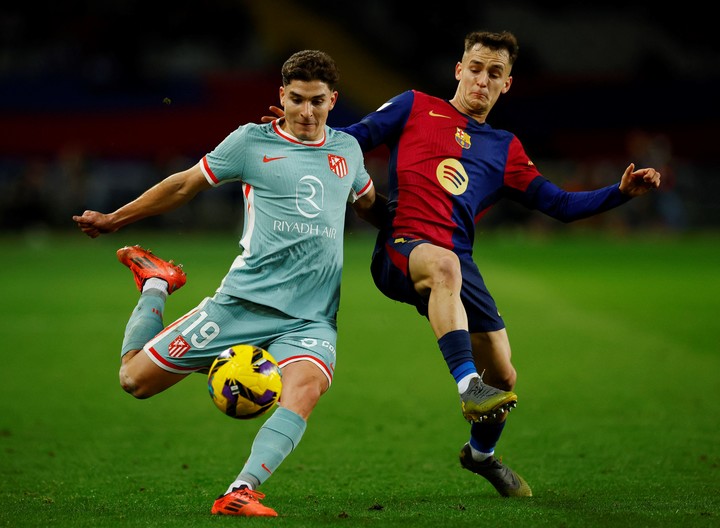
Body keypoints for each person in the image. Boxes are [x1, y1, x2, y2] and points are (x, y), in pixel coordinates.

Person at [265, 30, 661, 498]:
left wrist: (619, 193)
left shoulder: (505, 148)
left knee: (506, 376)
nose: (481, 80)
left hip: (457, 262)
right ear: (459, 69)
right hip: (402, 246)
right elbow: (350, 140)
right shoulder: (414, 106)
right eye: (475, 68)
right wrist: (301, 129)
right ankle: (467, 384)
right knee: (447, 273)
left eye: (494, 73)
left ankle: (480, 456)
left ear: (506, 84)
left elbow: (558, 203)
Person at [73, 49, 386, 517]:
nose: (306, 111)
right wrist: (117, 218)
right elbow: (183, 185)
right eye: (296, 99)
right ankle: (156, 283)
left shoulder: (347, 150)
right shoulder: (250, 142)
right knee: (134, 380)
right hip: (242, 305)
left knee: (306, 388)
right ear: (281, 95)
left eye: (317, 101)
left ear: (333, 100)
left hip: (311, 319)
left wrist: (426, 235)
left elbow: (370, 207)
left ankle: (240, 491)